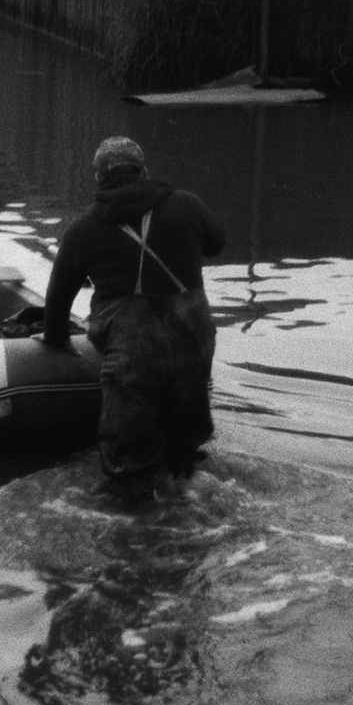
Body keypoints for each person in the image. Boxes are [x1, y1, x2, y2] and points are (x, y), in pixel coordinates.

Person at [41, 136, 225, 491]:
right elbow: (216, 244)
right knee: (183, 459)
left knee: (128, 471)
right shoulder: (186, 204)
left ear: (97, 178)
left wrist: (56, 341)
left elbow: (57, 300)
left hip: (133, 353)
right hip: (193, 342)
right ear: (144, 171)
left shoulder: (83, 230)